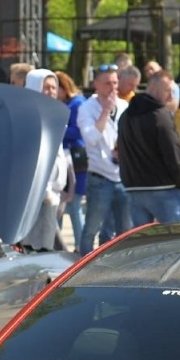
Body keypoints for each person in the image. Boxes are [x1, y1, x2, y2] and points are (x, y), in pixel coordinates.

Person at [117, 71, 180, 225]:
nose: (171, 96)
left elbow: (121, 152)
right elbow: (173, 153)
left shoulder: (125, 117)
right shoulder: (160, 116)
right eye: (168, 91)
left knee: (144, 239)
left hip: (134, 189)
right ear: (154, 88)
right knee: (172, 238)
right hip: (165, 189)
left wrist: (128, 181)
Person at [76, 64, 129, 253]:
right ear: (96, 84)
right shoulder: (86, 108)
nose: (113, 88)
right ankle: (83, 265)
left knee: (124, 231)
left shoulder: (124, 106)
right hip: (100, 179)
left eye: (115, 83)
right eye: (107, 83)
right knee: (91, 229)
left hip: (122, 177)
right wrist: (105, 111)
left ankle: (120, 265)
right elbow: (91, 138)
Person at [21, 70, 73, 250]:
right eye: (46, 87)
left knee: (47, 245)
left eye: (53, 87)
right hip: (37, 196)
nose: (51, 91)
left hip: (53, 196)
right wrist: (45, 192)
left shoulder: (53, 115)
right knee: (35, 247)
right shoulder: (30, 117)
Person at [54, 70, 88, 250]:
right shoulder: (64, 103)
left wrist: (55, 127)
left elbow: (78, 130)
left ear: (64, 87)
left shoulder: (77, 103)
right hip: (64, 162)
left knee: (74, 207)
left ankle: (81, 247)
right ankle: (59, 247)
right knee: (60, 207)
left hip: (75, 162)